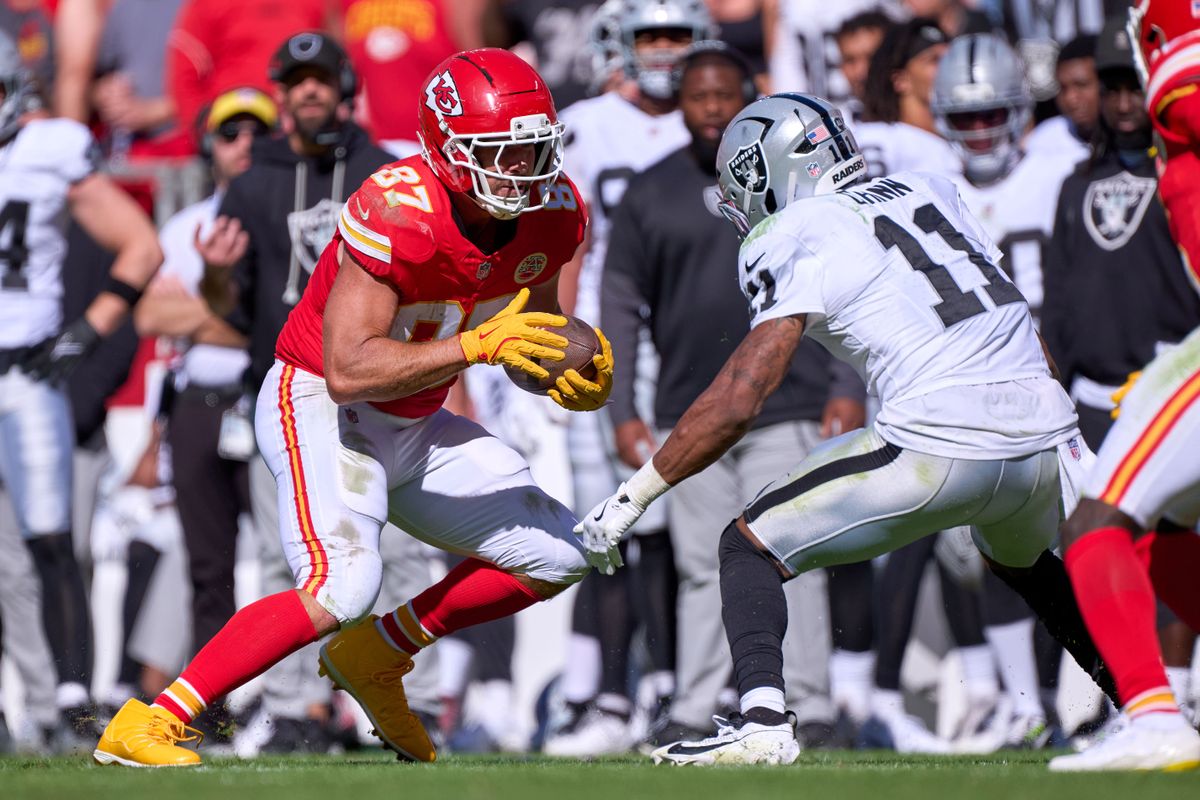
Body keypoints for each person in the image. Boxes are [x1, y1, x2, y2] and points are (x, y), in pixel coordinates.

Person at [95, 46, 611, 768]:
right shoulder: (398, 207)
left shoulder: (552, 213)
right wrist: (476, 348)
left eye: (531, 150)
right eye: (499, 153)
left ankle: (377, 653)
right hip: (320, 402)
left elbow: (530, 335)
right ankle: (151, 720)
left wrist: (563, 372)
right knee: (343, 583)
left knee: (561, 553)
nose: (520, 171)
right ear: (447, 149)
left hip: (415, 416)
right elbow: (347, 369)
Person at [576, 91, 1117, 766]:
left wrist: (636, 494)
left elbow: (744, 392)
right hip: (1040, 425)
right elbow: (1017, 322)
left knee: (748, 547)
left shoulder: (794, 230)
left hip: (937, 438)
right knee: (1021, 560)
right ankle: (1139, 700)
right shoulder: (930, 188)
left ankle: (764, 722)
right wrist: (1063, 436)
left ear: (766, 171)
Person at [592, 40, 859, 754]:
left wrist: (844, 382)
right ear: (677, 102)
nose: (712, 109)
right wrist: (623, 411)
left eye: (725, 95)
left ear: (749, 96)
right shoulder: (650, 191)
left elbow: (847, 280)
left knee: (790, 553)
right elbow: (617, 305)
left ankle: (811, 705)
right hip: (693, 409)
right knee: (696, 564)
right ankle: (697, 703)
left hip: (794, 398)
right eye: (698, 95)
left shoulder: (797, 179)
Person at [546, 0, 711, 753]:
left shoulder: (709, 119)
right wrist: (556, 339)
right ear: (623, 41)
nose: (668, 50)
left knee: (680, 527)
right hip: (603, 343)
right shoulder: (585, 124)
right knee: (604, 526)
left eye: (679, 34)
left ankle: (668, 687)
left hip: (681, 338)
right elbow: (564, 239)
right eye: (654, 35)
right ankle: (607, 694)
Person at [1047, 0, 1200, 772]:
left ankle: (1153, 709)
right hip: (1123, 377)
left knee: (1096, 522)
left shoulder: (1174, 46)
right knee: (1165, 519)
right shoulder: (1082, 183)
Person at [0, 30, 163, 746]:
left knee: (53, 539)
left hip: (28, 365)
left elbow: (141, 243)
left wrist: (85, 332)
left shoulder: (50, 150)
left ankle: (71, 700)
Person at [931, 32, 1085, 750]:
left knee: (1080, 538)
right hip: (979, 392)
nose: (981, 131)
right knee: (981, 550)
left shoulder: (1056, 169)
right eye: (965, 120)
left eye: (993, 115)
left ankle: (1087, 694)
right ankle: (1024, 704)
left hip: (1064, 379)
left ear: (1021, 112)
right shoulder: (934, 185)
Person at [133, 88, 276, 680]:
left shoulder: (278, 217)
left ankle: (303, 703)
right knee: (205, 565)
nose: (244, 144)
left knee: (286, 557)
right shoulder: (186, 225)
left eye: (257, 132)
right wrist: (237, 319)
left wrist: (203, 317)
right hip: (199, 404)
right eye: (230, 132)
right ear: (208, 146)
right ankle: (213, 703)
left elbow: (284, 320)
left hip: (265, 396)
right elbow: (150, 318)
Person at [1023, 34, 1099, 161]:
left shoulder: (1131, 137)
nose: (1070, 98)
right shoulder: (1041, 144)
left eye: (1081, 85)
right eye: (1062, 88)